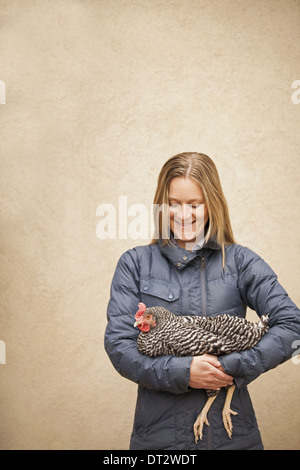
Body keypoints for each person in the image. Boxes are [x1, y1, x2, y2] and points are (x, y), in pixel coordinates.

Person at [104, 152, 300, 450]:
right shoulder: (135, 264)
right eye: (174, 204)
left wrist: (229, 367)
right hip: (158, 440)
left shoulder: (241, 262)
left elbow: (291, 325)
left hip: (233, 439)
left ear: (213, 204)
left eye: (194, 204)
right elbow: (120, 346)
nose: (183, 215)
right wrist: (183, 373)